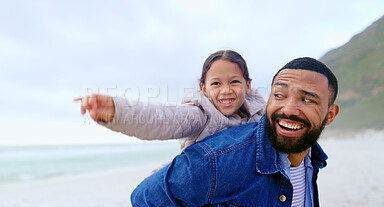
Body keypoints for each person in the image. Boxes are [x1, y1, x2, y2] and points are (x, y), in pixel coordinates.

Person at [130, 57, 340, 207]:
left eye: (307, 100)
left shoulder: (312, 158)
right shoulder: (215, 158)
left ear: (330, 114)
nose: (288, 109)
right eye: (279, 95)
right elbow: (144, 199)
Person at [75, 50, 266, 150]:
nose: (226, 90)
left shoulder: (260, 112)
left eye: (234, 82)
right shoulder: (200, 114)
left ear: (247, 85)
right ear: (204, 88)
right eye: (216, 83)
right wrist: (117, 110)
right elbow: (163, 119)